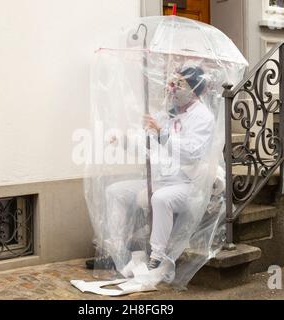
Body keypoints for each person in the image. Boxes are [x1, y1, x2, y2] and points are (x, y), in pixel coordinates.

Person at [86, 65, 216, 271]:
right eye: (172, 83)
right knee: (115, 191)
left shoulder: (203, 117)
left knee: (161, 198)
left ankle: (157, 255)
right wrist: (124, 140)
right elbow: (146, 146)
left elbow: (193, 153)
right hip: (158, 180)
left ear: (194, 88)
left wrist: (162, 133)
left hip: (186, 185)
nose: (172, 88)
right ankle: (116, 251)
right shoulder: (166, 115)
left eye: (179, 84)